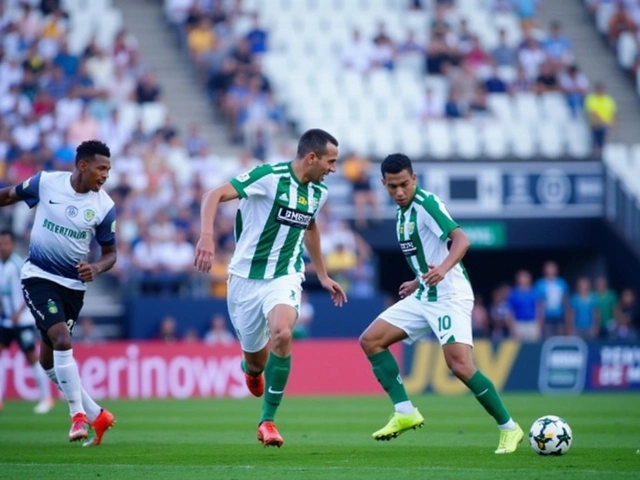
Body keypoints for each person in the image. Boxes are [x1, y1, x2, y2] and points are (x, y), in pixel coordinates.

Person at [358, 153, 523, 454]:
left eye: (404, 184)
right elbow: (426, 255)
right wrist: (418, 280)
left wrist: (443, 269)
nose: (399, 192)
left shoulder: (426, 204)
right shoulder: (401, 212)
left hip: (450, 295)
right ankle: (405, 411)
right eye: (392, 186)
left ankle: (509, 428)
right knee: (371, 340)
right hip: (425, 293)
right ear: (383, 184)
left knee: (459, 365)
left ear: (415, 179)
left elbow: (462, 240)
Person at [194, 129, 347, 447]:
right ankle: (251, 369)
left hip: (285, 276)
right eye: (330, 162)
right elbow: (213, 195)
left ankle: (268, 421)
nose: (333, 169)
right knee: (257, 363)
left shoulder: (318, 193)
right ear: (311, 157)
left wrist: (322, 274)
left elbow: (311, 226)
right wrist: (207, 237)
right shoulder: (269, 176)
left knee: (283, 333)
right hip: (244, 280)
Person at [0, 140, 117, 445]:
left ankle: (98, 415)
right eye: (101, 168)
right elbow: (9, 195)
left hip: (73, 288)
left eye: (108, 169)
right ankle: (78, 416)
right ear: (82, 166)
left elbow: (110, 253)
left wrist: (97, 268)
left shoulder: (104, 206)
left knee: (48, 361)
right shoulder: (47, 183)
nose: (105, 175)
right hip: (39, 277)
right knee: (62, 340)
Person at [0, 230, 54, 414]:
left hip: (22, 320)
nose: (2, 247)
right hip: (6, 321)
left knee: (31, 357)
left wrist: (18, 312)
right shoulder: (1, 265)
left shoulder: (18, 265)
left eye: (6, 244)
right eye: (0, 244)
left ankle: (46, 397)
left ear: (12, 244)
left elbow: (29, 290)